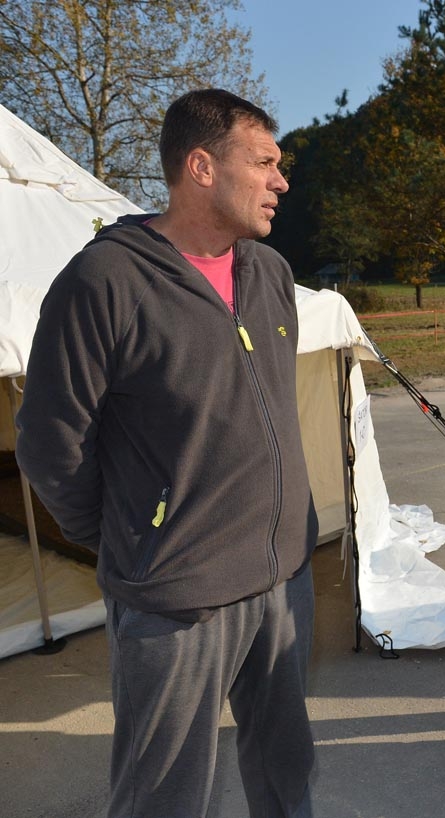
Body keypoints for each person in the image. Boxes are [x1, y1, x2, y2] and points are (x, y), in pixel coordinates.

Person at [15, 89, 316, 818]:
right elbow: (49, 443)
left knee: (287, 774)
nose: (282, 180)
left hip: (283, 578)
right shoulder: (104, 281)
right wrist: (137, 536)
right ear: (202, 166)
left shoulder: (270, 273)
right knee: (166, 796)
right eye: (266, 162)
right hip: (177, 598)